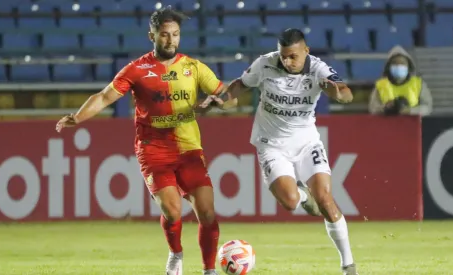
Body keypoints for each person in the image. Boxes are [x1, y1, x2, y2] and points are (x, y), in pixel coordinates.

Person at [56, 7, 222, 275]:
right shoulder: (136, 70)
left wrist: (218, 101)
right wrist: (78, 117)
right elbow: (104, 96)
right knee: (172, 211)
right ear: (152, 36)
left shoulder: (193, 67)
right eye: (164, 35)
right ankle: (176, 253)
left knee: (207, 211)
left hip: (189, 148)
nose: (170, 40)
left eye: (175, 35)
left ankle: (209, 270)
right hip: (153, 149)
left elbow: (226, 94)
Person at [201, 29, 358, 275]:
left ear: (306, 51)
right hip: (271, 143)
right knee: (291, 202)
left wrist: (337, 92)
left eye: (293, 56)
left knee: (327, 201)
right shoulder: (265, 63)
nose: (287, 61)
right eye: (284, 56)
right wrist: (223, 100)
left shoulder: (318, 69)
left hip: (306, 142)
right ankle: (305, 197)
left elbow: (346, 92)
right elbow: (241, 84)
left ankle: (348, 265)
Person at [368, 45, 433, 116]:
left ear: (408, 67)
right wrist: (385, 108)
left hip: (412, 124)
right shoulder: (380, 85)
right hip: (387, 125)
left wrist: (410, 111)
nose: (399, 66)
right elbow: (373, 109)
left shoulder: (418, 84)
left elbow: (427, 108)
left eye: (402, 63)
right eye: (395, 63)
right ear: (388, 67)